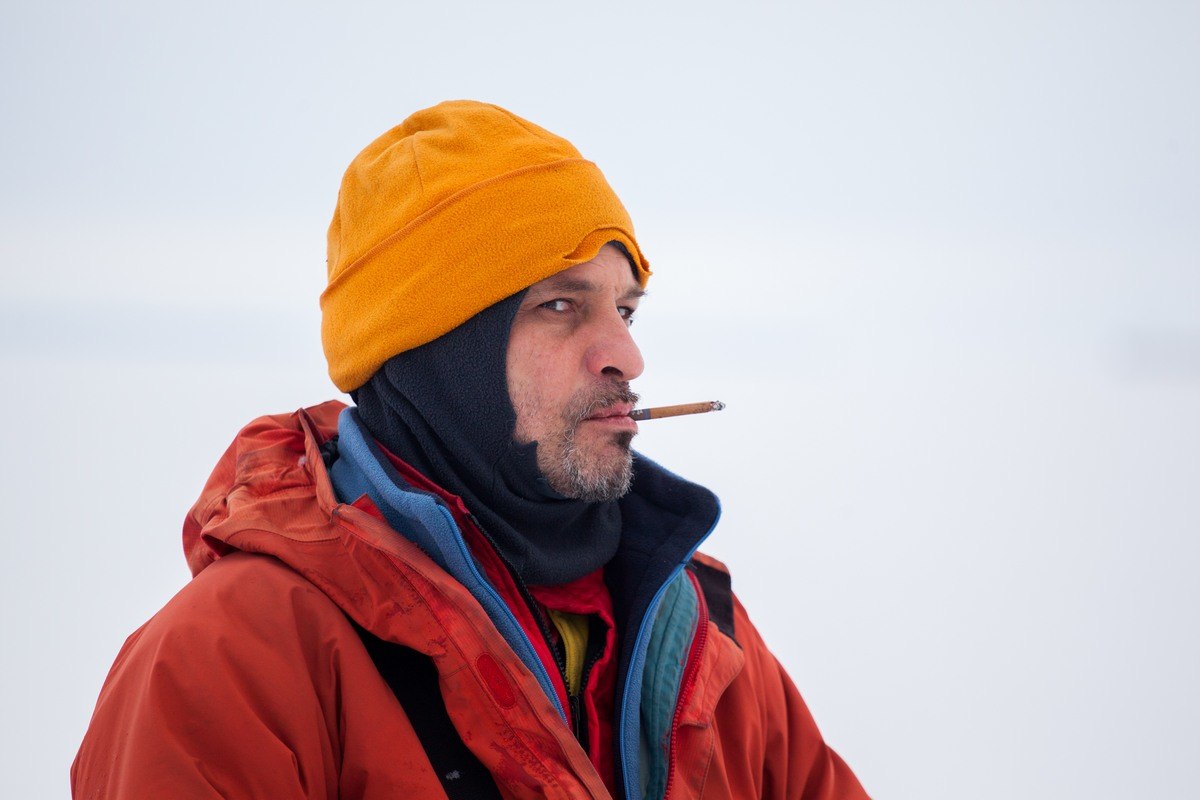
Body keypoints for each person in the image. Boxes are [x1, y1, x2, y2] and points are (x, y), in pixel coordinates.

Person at [72, 100, 869, 799]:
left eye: (626, 311)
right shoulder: (234, 658)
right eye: (561, 306)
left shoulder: (700, 638)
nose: (627, 357)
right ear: (441, 355)